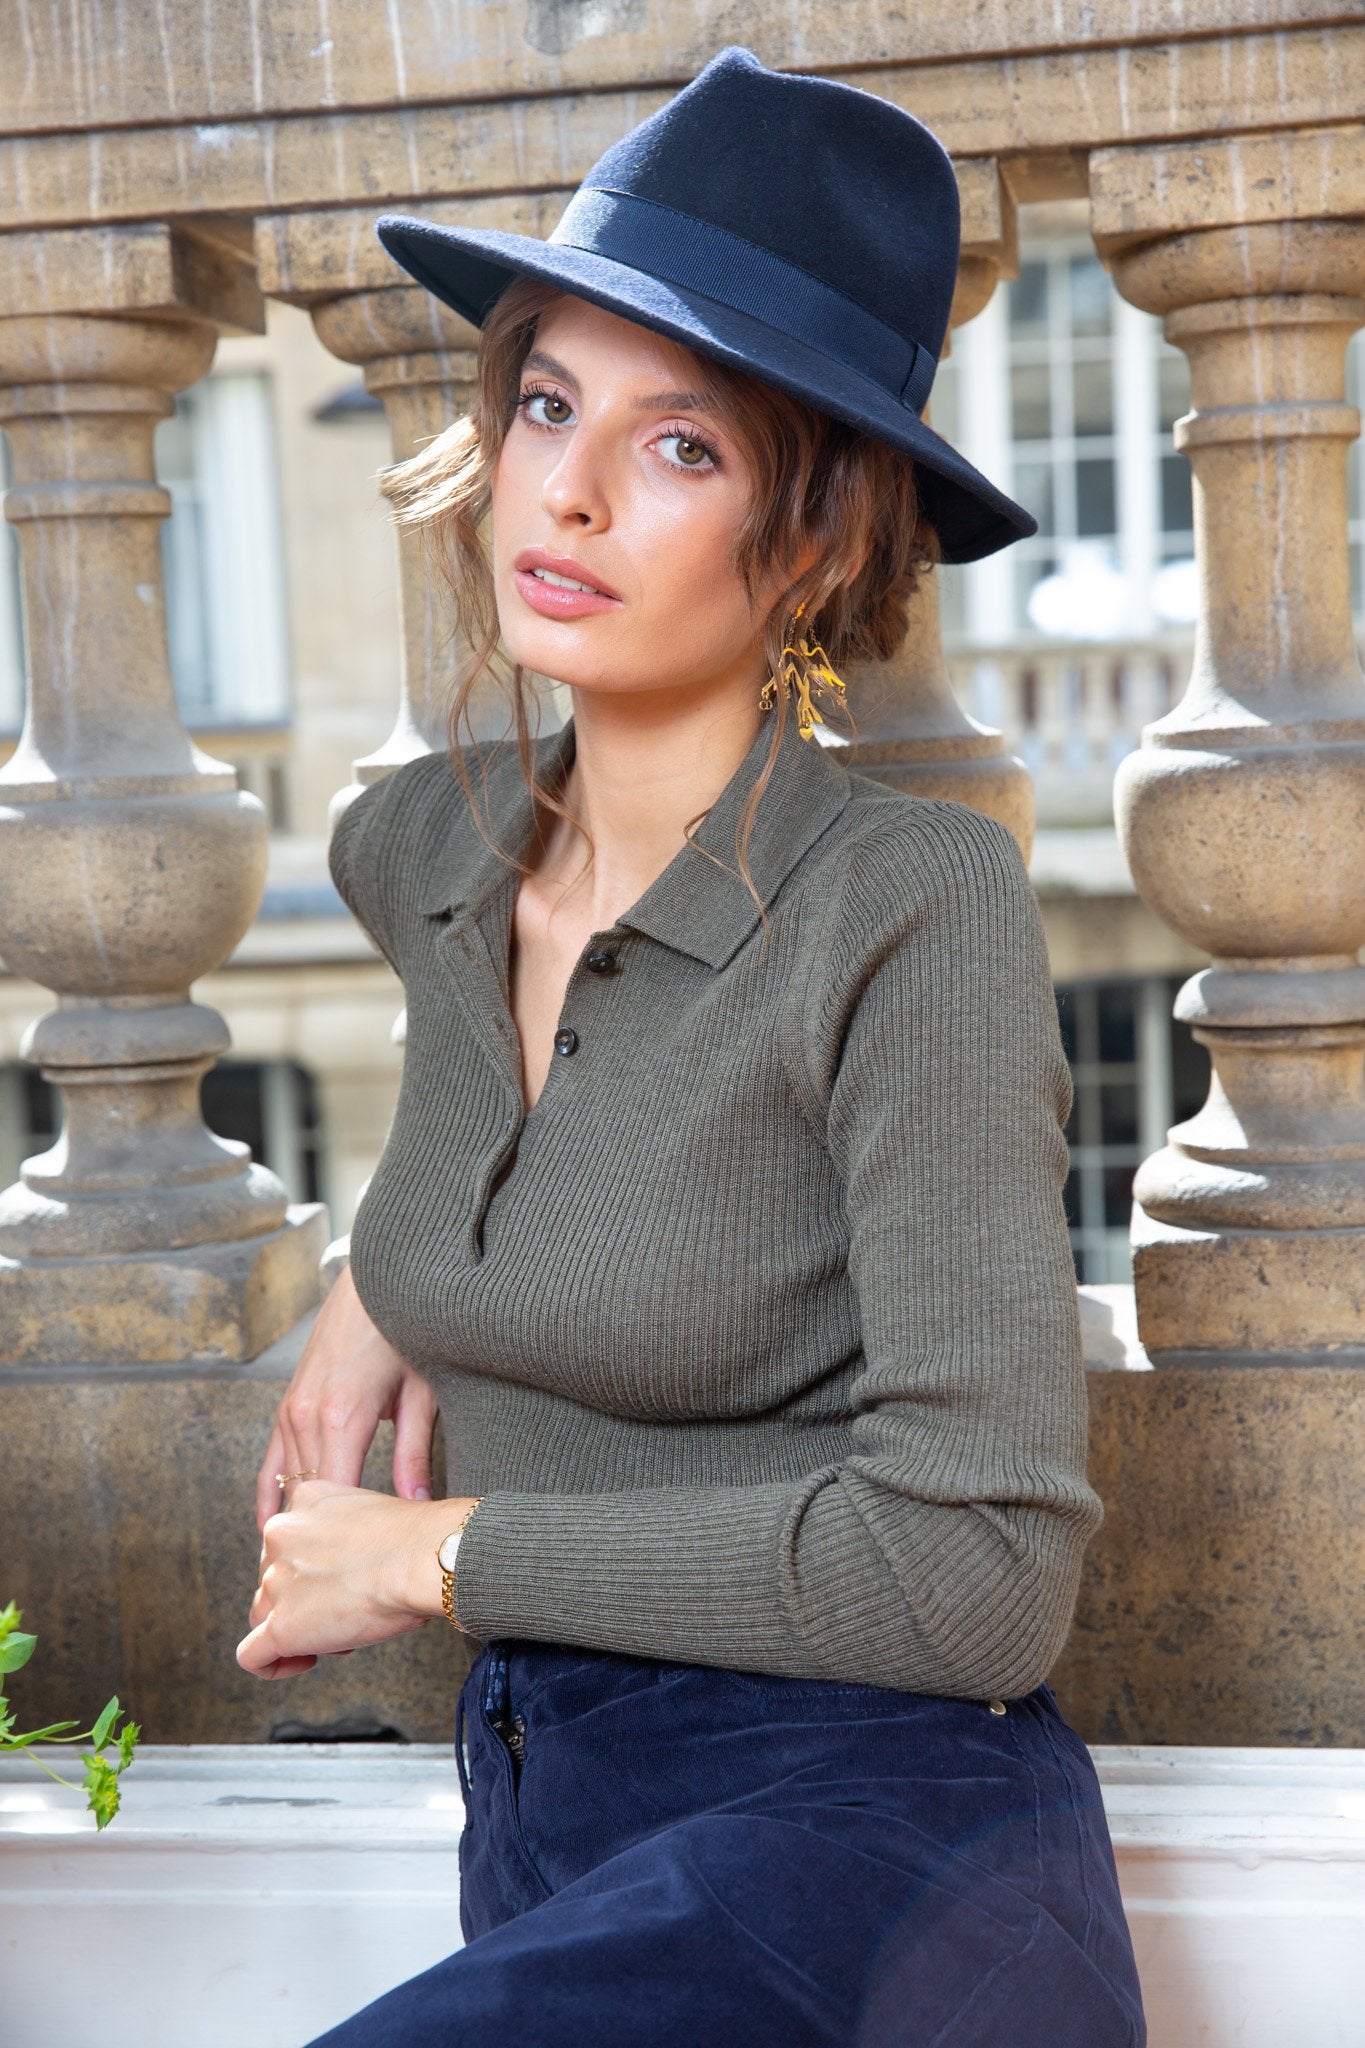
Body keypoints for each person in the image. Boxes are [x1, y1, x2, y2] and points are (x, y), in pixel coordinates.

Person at [238, 45, 1147, 2047]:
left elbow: (975, 1570)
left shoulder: (910, 901)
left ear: (812, 536)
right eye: (548, 403)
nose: (560, 489)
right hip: (555, 1829)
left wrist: (437, 1550)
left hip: (874, 1839)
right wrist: (376, 1279)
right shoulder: (415, 855)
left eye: (678, 448)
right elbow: (544, 1157)